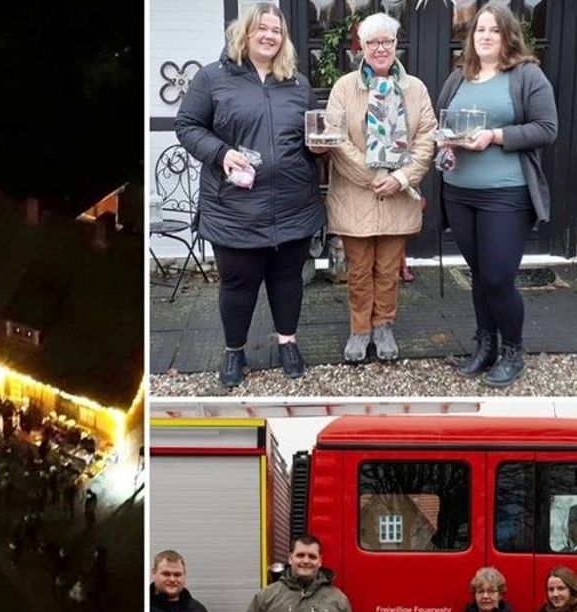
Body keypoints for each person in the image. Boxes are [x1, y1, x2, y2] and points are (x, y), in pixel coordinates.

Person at [174, 2, 326, 385]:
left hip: (293, 203)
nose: (270, 35)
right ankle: (234, 351)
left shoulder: (298, 83)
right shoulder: (213, 78)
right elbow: (187, 126)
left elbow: (311, 136)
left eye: (277, 30)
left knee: (288, 278)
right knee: (238, 283)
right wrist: (221, 153)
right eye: (262, 28)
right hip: (235, 207)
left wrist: (321, 146)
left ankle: (287, 341)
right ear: (245, 32)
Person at [437, 3, 557, 387]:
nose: (485, 36)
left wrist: (496, 136)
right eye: (479, 30)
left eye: (494, 30)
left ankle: (513, 352)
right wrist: (445, 144)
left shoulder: (527, 75)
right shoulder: (459, 77)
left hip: (506, 194)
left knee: (498, 278)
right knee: (479, 275)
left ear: (508, 36)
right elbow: (443, 122)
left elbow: (546, 128)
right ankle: (485, 345)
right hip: (459, 193)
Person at [323, 12, 436, 363]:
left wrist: (401, 179)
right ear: (362, 47)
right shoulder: (344, 87)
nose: (380, 48)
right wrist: (374, 177)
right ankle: (360, 330)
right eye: (372, 42)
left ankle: (384, 325)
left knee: (387, 270)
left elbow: (427, 137)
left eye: (386, 41)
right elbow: (336, 138)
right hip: (356, 195)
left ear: (395, 44)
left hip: (398, 195)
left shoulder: (415, 88)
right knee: (358, 270)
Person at [236, 534, 358, 612]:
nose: (306, 561)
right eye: (300, 555)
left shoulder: (338, 600)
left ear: (320, 561)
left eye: (312, 557)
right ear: (290, 558)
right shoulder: (265, 596)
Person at [150, 550, 224, 612]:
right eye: (166, 574)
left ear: (184, 576)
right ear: (153, 573)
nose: (172, 579)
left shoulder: (197, 610)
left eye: (177, 575)